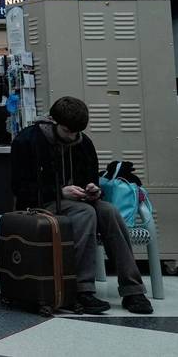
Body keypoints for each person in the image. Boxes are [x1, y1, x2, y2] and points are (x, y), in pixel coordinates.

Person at [10, 96, 153, 314]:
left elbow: (91, 179)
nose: (73, 137)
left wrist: (93, 190)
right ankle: (81, 289)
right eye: (68, 131)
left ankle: (133, 290)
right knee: (85, 212)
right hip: (40, 205)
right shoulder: (27, 141)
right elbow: (20, 188)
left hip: (77, 202)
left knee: (109, 211)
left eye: (77, 132)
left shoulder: (83, 143)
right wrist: (59, 192)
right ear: (52, 122)